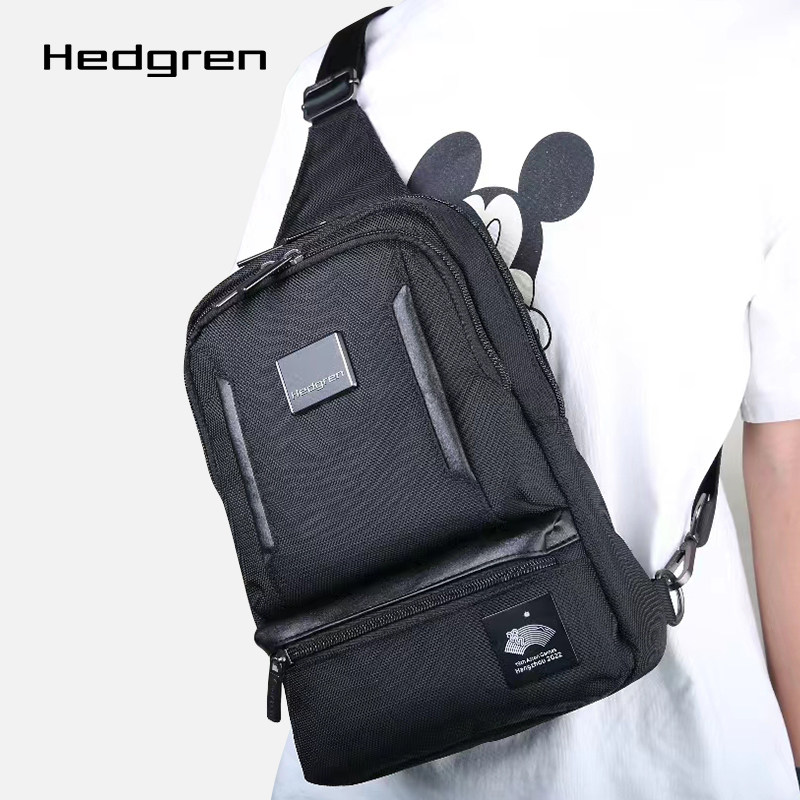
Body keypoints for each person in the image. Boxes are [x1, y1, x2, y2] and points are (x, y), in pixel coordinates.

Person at [238, 1, 800, 797]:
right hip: (376, 757)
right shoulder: (335, 82)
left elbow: (784, 461)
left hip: (671, 758)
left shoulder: (772, 57)